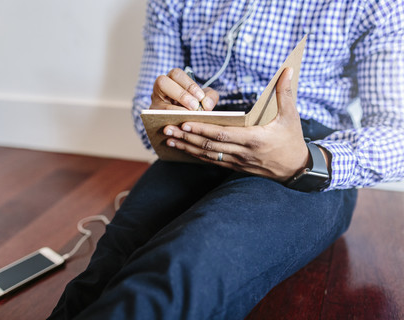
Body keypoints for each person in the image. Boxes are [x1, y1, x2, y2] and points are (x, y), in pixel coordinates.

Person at [48, 0, 404, 319]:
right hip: (198, 138)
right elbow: (146, 117)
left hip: (307, 151)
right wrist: (163, 111)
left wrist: (304, 160)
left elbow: (397, 131)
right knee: (99, 276)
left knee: (185, 268)